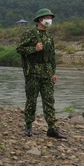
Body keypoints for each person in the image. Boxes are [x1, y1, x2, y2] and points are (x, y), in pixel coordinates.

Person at [16, 8, 66, 139]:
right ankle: (28, 126)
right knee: (31, 100)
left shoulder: (49, 36)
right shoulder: (30, 33)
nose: (49, 20)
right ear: (40, 20)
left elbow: (52, 55)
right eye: (47, 18)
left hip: (47, 72)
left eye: (50, 18)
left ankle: (51, 128)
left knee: (49, 99)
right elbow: (19, 49)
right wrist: (34, 49)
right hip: (33, 72)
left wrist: (53, 72)